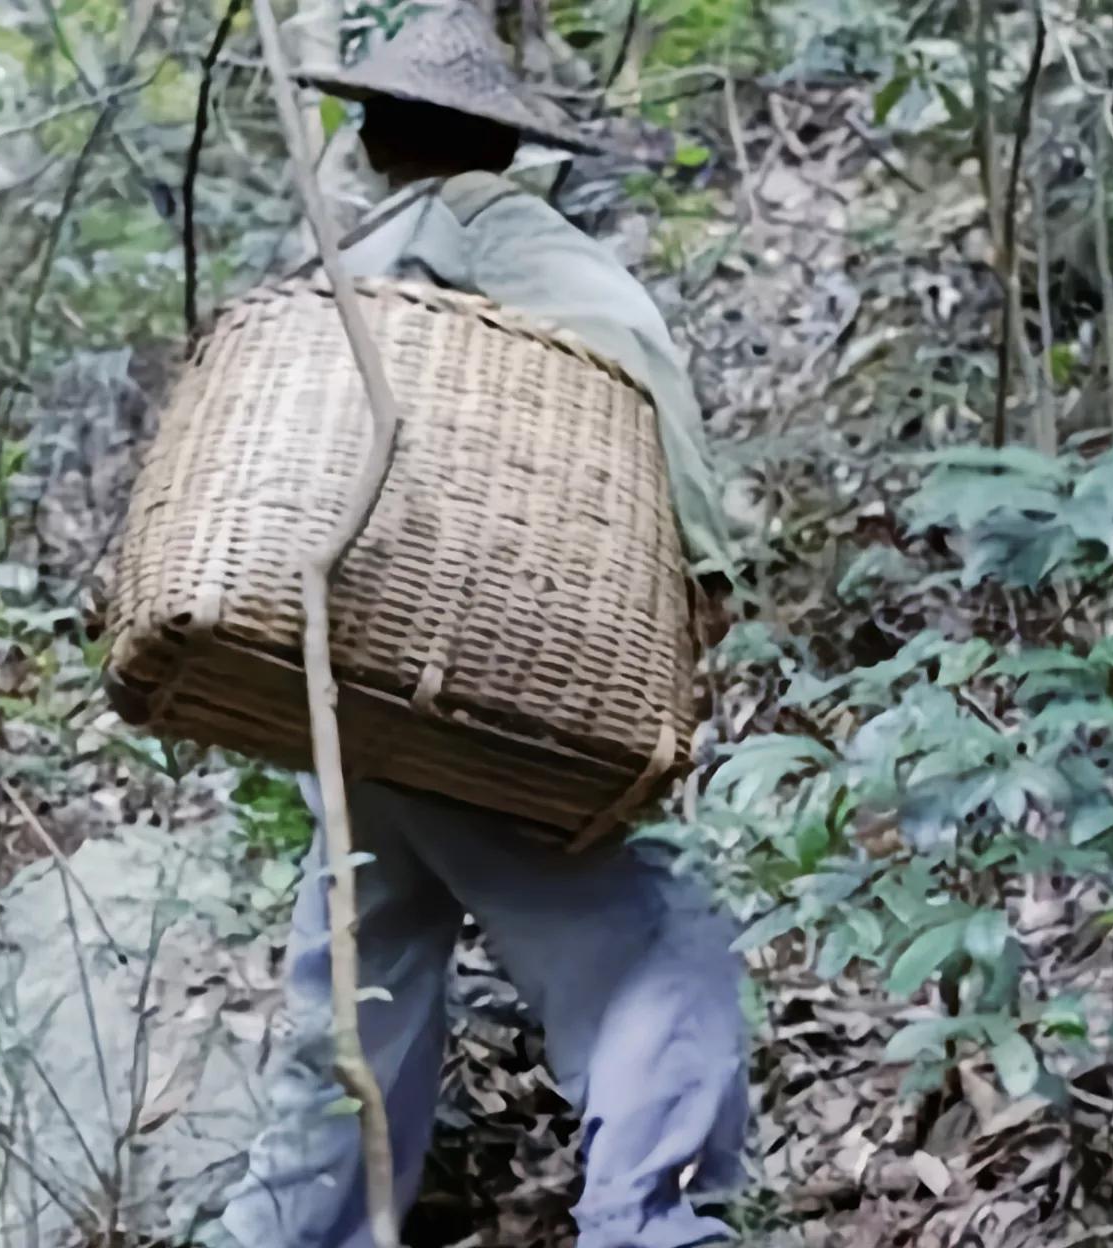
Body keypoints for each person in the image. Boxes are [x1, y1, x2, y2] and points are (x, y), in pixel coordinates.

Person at [214, 6, 748, 1248]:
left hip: (349, 670)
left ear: (373, 138)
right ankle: (659, 1229)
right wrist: (702, 570)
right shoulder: (492, 229)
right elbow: (618, 353)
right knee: (650, 942)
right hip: (476, 666)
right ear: (499, 147)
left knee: (358, 998)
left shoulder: (342, 261)